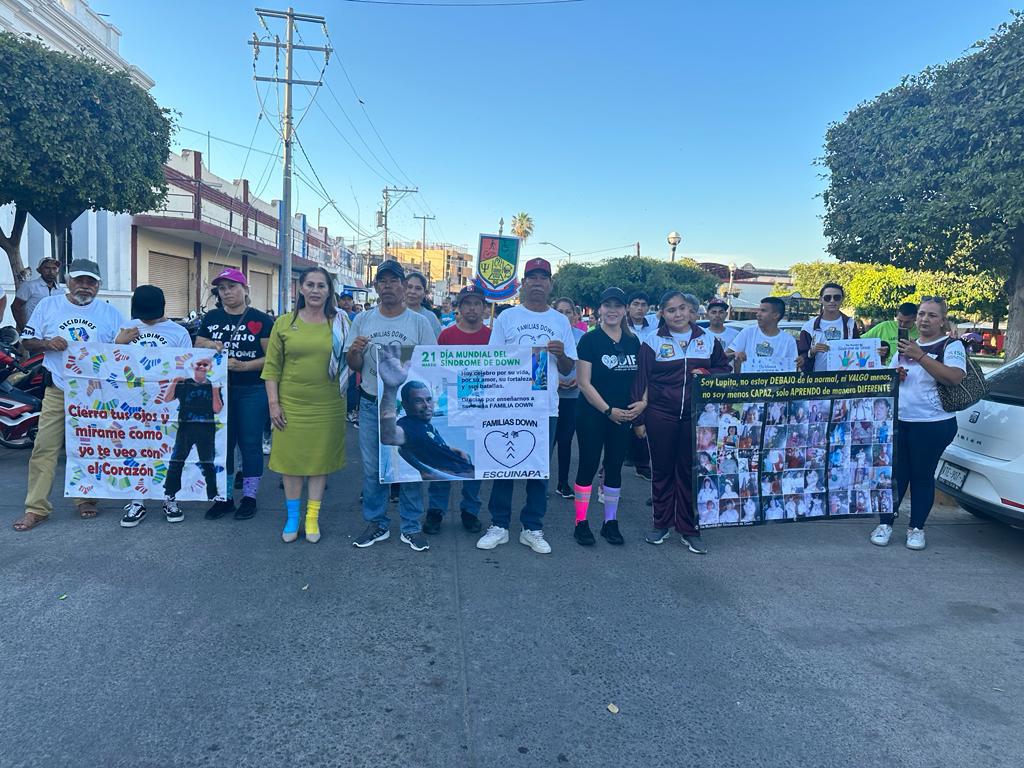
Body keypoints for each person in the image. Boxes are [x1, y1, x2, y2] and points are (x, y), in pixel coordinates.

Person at [476, 257, 577, 555]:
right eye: (531, 277)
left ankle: (532, 527)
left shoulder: (560, 322)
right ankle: (499, 525)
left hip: (544, 407)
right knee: (503, 466)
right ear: (523, 283)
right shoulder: (507, 318)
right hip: (508, 404)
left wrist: (560, 355)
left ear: (550, 284)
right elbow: (492, 362)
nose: (537, 282)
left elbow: (570, 368)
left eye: (542, 277)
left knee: (538, 469)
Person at [13, 260, 124, 531]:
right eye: (80, 280)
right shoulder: (48, 306)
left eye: (91, 282)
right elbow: (26, 341)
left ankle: (86, 498)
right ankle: (36, 507)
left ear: (98, 285)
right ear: (68, 280)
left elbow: (123, 349)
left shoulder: (111, 314)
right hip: (58, 389)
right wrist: (47, 343)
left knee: (88, 447)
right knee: (44, 448)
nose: (85, 287)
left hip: (94, 394)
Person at [345, 260, 437, 551]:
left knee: (409, 467)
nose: (388, 286)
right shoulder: (363, 320)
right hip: (372, 403)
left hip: (405, 408)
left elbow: (431, 364)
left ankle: (411, 526)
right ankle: (377, 523)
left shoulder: (419, 322)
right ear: (375, 287)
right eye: (382, 281)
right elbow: (353, 364)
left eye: (393, 281)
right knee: (373, 469)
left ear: (402, 285)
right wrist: (356, 352)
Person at [632, 291, 731, 553]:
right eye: (671, 310)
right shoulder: (652, 342)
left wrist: (707, 372)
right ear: (662, 314)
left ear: (691, 311)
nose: (677, 314)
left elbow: (724, 370)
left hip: (697, 417)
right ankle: (661, 523)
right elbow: (641, 381)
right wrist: (638, 420)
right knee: (662, 471)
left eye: (682, 308)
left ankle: (689, 529)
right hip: (660, 415)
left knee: (690, 473)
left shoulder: (708, 340)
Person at [870, 297, 966, 551]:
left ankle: (916, 528)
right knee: (894, 476)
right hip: (901, 420)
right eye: (922, 314)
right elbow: (891, 374)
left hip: (933, 423)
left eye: (932, 315)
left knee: (922, 476)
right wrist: (895, 374)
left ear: (943, 320)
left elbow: (954, 378)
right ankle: (886, 523)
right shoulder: (906, 345)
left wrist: (920, 356)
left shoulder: (951, 345)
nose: (925, 319)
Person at [262, 267, 348, 544]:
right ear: (300, 288)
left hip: (328, 405)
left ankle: (312, 518)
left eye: (321, 286)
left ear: (328, 291)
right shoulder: (284, 323)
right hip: (291, 404)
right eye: (310, 284)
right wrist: (273, 404)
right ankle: (292, 517)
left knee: (319, 461)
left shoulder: (339, 323)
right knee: (291, 463)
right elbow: (272, 367)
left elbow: (352, 360)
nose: (315, 290)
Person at [195, 268, 272, 521]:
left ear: (245, 289)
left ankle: (249, 497)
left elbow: (271, 359)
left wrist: (244, 366)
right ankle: (224, 497)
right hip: (219, 390)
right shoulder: (211, 317)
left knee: (250, 443)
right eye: (222, 288)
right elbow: (198, 345)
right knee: (223, 445)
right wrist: (209, 344)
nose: (227, 292)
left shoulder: (261, 319)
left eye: (232, 286)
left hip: (252, 390)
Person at [114, 285, 194, 528]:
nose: (146, 318)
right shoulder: (127, 326)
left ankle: (170, 497)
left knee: (169, 449)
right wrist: (119, 342)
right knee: (136, 449)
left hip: (167, 403)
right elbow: (110, 365)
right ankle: (137, 500)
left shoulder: (178, 332)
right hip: (133, 402)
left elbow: (187, 367)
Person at [571, 287, 643, 546]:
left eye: (618, 306)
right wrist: (607, 411)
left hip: (622, 415)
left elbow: (641, 379)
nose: (612, 310)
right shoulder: (589, 341)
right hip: (593, 412)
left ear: (624, 310)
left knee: (614, 467)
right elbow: (584, 383)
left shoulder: (633, 341)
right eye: (607, 305)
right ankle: (581, 522)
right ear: (599, 309)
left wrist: (641, 404)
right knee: (588, 465)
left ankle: (610, 522)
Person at [424, 285, 491, 534]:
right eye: (467, 304)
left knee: (474, 462)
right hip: (449, 409)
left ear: (484, 308)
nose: (472, 308)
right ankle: (435, 511)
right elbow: (433, 373)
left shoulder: (493, 337)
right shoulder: (446, 336)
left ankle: (470, 511)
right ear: (459, 308)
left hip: (480, 410)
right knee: (444, 459)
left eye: (476, 304)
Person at [161, 356, 224, 512]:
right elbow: (167, 398)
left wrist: (215, 390)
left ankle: (212, 494)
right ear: (192, 366)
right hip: (185, 430)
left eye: (205, 364)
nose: (202, 366)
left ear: (209, 367)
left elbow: (217, 409)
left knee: (208, 463)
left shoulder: (212, 385)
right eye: (199, 364)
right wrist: (174, 382)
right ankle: (170, 494)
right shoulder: (184, 383)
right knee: (176, 462)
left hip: (206, 431)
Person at [551, 297, 586, 499]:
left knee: (565, 440)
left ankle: (562, 483)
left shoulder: (582, 337)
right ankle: (539, 481)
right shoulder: (547, 336)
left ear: (575, 315)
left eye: (568, 312)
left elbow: (587, 365)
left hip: (573, 396)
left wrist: (578, 380)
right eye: (560, 311)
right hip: (549, 397)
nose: (564, 316)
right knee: (548, 441)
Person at [797, 283, 860, 372]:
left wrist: (876, 351)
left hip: (844, 380)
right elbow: (801, 356)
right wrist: (812, 351)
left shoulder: (850, 324)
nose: (832, 301)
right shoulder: (808, 327)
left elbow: (859, 349)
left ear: (842, 299)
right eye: (827, 298)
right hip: (817, 380)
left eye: (836, 297)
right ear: (820, 300)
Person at [728, 297, 798, 372]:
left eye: (763, 311)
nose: (758, 314)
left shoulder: (789, 340)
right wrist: (734, 354)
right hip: (747, 382)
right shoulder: (748, 332)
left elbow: (792, 369)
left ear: (776, 315)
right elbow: (724, 357)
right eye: (758, 310)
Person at [12, 256, 65, 332]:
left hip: (54, 332)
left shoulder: (61, 291)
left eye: (54, 268)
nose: (51, 271)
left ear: (58, 271)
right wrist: (24, 329)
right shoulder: (29, 286)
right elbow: (15, 307)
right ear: (39, 270)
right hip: (33, 331)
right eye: (47, 268)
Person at [405, 272, 443, 336]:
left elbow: (437, 344)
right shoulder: (392, 314)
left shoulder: (431, 318)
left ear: (424, 293)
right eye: (409, 287)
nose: (412, 291)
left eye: (418, 288)